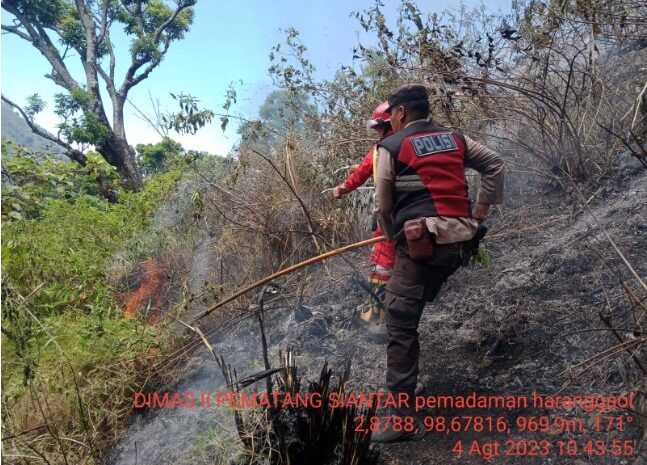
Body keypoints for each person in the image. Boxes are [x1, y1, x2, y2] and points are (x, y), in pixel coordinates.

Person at [370, 84, 505, 443]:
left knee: (398, 319)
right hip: (461, 243)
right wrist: (478, 213)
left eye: (391, 115)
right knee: (414, 298)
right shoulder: (455, 138)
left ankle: (402, 420)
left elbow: (383, 208)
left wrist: (392, 238)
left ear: (399, 113)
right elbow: (494, 164)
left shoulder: (390, 146)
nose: (390, 120)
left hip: (421, 247)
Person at [331, 102, 396, 333]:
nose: (376, 133)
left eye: (378, 127)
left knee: (382, 263)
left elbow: (360, 175)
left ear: (388, 124)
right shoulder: (417, 141)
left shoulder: (383, 149)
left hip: (393, 217)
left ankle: (377, 316)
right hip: (426, 216)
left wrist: (341, 189)